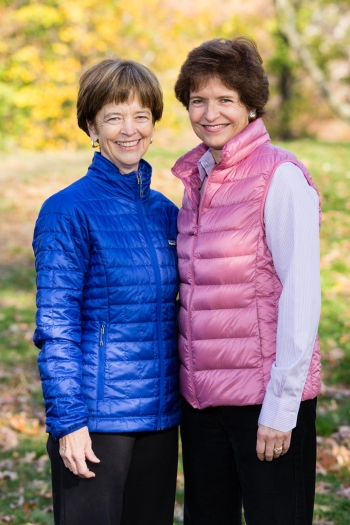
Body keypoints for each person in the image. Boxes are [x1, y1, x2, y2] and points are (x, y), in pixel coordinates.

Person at [172, 36, 321, 525]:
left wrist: (282, 407)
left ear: (252, 105)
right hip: (202, 402)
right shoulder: (198, 178)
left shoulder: (280, 177)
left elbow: (301, 297)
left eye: (225, 100)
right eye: (198, 100)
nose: (210, 113)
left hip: (264, 399)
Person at [33, 58, 181, 525]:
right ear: (92, 126)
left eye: (141, 116)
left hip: (160, 420)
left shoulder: (166, 212)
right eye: (114, 117)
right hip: (96, 423)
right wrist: (69, 423)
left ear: (154, 124)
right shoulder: (66, 211)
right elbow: (55, 327)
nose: (129, 130)